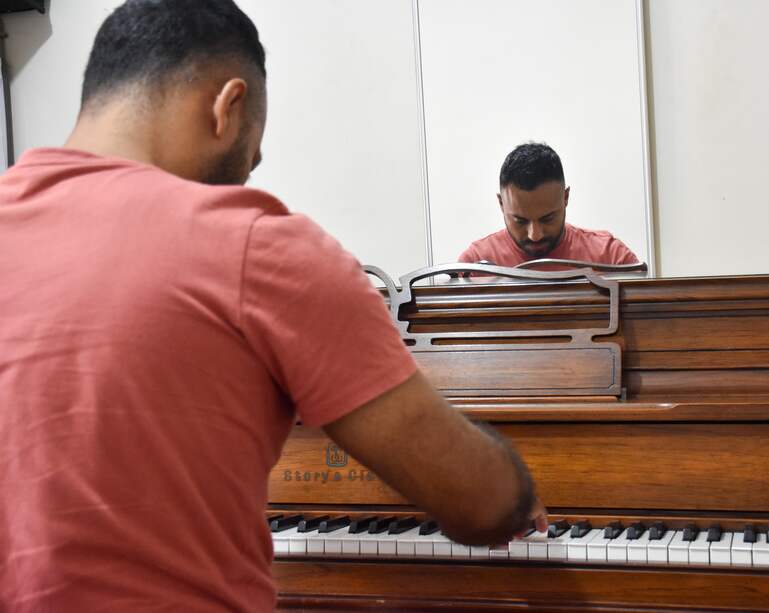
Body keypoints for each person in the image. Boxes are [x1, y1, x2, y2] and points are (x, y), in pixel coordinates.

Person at [0, 1, 545, 611]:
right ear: (227, 107)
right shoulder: (257, 246)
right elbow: (482, 505)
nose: (241, 184)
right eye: (247, 161)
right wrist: (518, 492)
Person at [458, 142, 639, 267]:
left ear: (565, 198)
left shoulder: (610, 257)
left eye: (547, 219)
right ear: (501, 204)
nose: (535, 235)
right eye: (520, 221)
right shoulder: (475, 265)